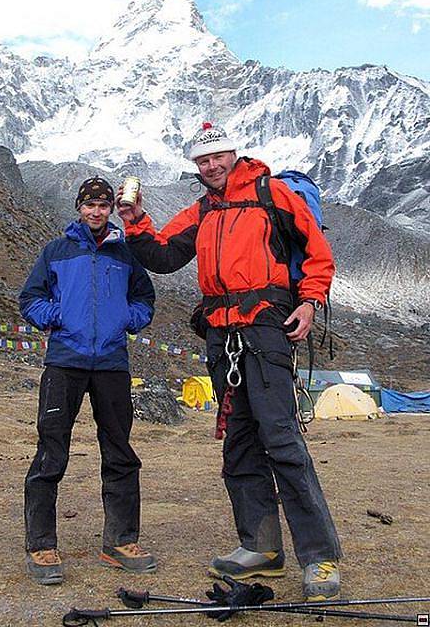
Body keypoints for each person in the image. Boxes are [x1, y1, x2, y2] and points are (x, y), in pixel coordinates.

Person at [117, 124, 342, 601]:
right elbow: (162, 254)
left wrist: (309, 302)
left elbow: (317, 253)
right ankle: (260, 546)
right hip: (220, 333)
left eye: (217, 156)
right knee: (239, 440)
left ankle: (319, 558)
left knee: (280, 437)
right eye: (202, 160)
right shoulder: (202, 210)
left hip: (266, 326)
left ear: (233, 154)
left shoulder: (271, 193)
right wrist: (135, 220)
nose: (211, 166)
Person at [20, 176, 157, 585]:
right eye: (89, 205)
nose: (96, 212)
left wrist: (124, 322)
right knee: (51, 451)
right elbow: (31, 298)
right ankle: (41, 544)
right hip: (65, 362)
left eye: (102, 206)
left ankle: (119, 541)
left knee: (119, 452)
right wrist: (56, 318)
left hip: (112, 363)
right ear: (79, 208)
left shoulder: (125, 253)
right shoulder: (56, 251)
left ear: (111, 210)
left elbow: (144, 299)